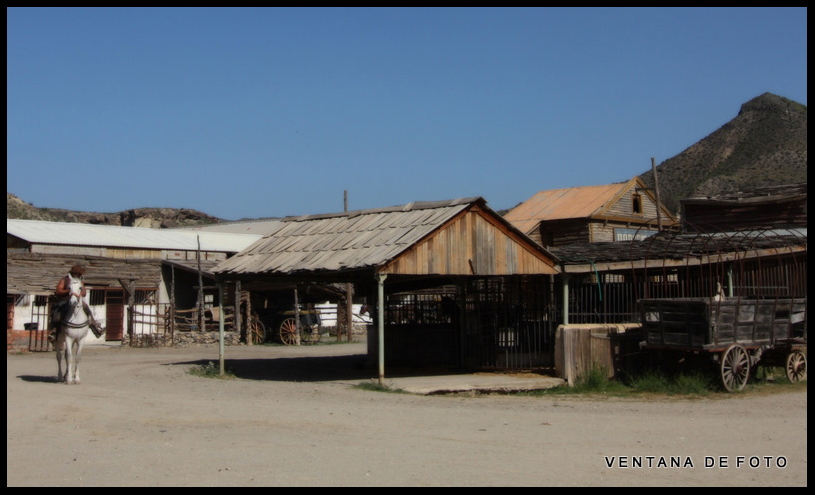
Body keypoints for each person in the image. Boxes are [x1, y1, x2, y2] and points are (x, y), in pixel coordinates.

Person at [49, 264, 103, 342]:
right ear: (73, 273)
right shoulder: (64, 280)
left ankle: (94, 327)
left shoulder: (80, 282)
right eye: (77, 274)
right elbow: (58, 290)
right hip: (65, 299)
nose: (78, 275)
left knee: (86, 308)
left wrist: (77, 294)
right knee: (57, 309)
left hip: (77, 300)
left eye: (79, 274)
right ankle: (53, 330)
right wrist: (70, 291)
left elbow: (84, 292)